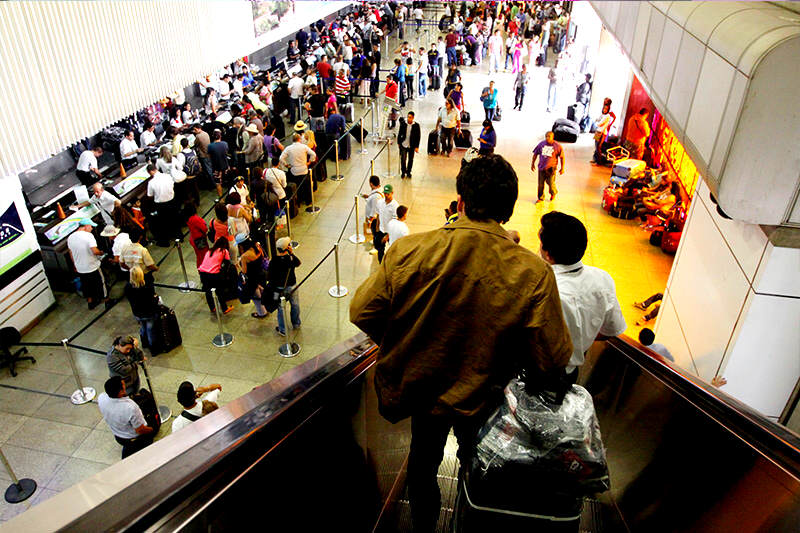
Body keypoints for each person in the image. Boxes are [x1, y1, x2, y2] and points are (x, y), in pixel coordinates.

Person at [349, 154, 572, 532]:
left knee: (422, 463)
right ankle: (472, 517)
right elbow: (552, 356)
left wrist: (407, 339)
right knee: (479, 461)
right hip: (486, 397)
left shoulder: (409, 251)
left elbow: (362, 311)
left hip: (425, 393)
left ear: (462, 201)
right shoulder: (532, 272)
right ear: (509, 208)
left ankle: (423, 525)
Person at [538, 211, 627, 383]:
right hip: (569, 375)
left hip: (536, 376)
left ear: (548, 254)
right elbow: (610, 330)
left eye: (541, 244)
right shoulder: (603, 279)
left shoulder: (545, 289)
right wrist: (581, 339)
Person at [97, 376, 154, 459]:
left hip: (118, 436)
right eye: (123, 385)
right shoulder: (130, 407)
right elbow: (140, 430)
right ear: (120, 392)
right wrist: (152, 429)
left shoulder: (101, 398)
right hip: (134, 438)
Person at [67, 218, 108, 309]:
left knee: (86, 284)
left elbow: (71, 253)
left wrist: (75, 264)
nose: (92, 229)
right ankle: (105, 300)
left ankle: (90, 302)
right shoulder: (88, 236)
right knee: (100, 282)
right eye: (91, 227)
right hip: (92, 266)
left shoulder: (70, 237)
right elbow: (94, 251)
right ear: (86, 226)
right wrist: (101, 252)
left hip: (80, 267)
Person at [268, 237, 301, 336]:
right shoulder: (290, 259)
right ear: (287, 248)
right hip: (292, 286)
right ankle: (296, 323)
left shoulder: (273, 261)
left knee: (280, 309)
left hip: (279, 289)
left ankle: (282, 329)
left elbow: (269, 276)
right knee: (295, 305)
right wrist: (291, 253)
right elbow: (298, 263)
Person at [124, 266, 159, 352]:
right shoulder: (147, 286)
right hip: (149, 312)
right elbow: (152, 299)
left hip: (137, 312)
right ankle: (153, 348)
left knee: (143, 327)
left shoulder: (128, 287)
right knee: (150, 330)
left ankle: (144, 343)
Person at [279, 133, 317, 206]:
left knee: (297, 187)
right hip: (304, 169)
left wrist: (286, 164)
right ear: (299, 139)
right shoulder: (304, 147)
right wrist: (309, 162)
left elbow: (281, 158)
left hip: (294, 171)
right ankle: (308, 201)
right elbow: (313, 154)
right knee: (306, 186)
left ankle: (298, 201)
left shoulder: (288, 148)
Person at [198, 237, 233, 314]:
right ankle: (224, 308)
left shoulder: (209, 251)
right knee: (220, 292)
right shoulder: (224, 251)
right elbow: (227, 263)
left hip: (203, 273)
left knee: (208, 291)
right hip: (214, 275)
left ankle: (212, 308)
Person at [145, 163, 177, 246]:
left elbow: (150, 195)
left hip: (161, 205)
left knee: (162, 223)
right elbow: (172, 185)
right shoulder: (167, 176)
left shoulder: (151, 182)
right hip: (172, 200)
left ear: (150, 172)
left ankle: (165, 242)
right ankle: (178, 236)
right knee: (174, 218)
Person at [239, 238, 270, 319]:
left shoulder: (244, 256)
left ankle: (262, 313)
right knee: (262, 291)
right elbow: (263, 257)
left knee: (256, 296)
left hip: (252, 277)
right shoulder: (257, 247)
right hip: (261, 273)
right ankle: (267, 306)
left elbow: (244, 271)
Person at [531, 131, 565, 202]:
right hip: (541, 168)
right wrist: (532, 163)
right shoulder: (541, 144)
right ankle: (540, 197)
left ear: (553, 137)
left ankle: (553, 192)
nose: (547, 138)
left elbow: (562, 157)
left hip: (551, 169)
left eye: (549, 136)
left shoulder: (557, 146)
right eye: (546, 136)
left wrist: (562, 168)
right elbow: (535, 154)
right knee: (540, 184)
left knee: (551, 183)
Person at [373, 184, 398, 263]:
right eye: (385, 193)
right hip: (381, 230)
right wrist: (377, 229)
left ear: (392, 193)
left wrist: (388, 236)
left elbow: (395, 222)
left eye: (388, 193)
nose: (386, 195)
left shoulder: (395, 206)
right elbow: (378, 215)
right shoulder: (380, 202)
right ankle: (382, 265)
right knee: (380, 250)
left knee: (393, 250)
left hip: (390, 232)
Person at [592, 98, 616, 164]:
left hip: (602, 132)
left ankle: (598, 161)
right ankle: (595, 159)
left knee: (598, 146)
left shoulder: (608, 113)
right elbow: (598, 119)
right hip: (599, 131)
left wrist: (609, 125)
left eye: (605, 101)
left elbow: (600, 123)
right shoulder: (603, 112)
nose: (604, 102)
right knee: (596, 145)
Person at [397, 111, 420, 179]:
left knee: (410, 159)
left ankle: (409, 172)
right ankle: (403, 172)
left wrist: (417, 147)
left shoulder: (416, 125)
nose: (408, 119)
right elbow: (399, 133)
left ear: (413, 118)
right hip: (404, 144)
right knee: (403, 159)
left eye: (410, 117)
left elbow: (418, 137)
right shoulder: (403, 124)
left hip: (411, 145)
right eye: (408, 117)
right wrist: (399, 142)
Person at [208, 130, 230, 197]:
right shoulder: (225, 144)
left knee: (218, 183)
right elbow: (227, 152)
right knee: (228, 181)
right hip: (225, 166)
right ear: (220, 136)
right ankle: (230, 195)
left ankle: (221, 198)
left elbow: (209, 156)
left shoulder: (210, 146)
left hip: (216, 167)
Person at [192, 123, 213, 190]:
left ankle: (212, 184)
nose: (194, 131)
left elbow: (195, 144)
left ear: (198, 129)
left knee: (208, 170)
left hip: (203, 155)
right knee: (210, 168)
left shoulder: (198, 136)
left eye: (195, 130)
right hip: (208, 153)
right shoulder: (205, 133)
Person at [362, 175, 383, 242]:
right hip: (377, 217)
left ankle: (376, 243)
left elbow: (374, 210)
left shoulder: (375, 196)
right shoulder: (379, 190)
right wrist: (368, 197)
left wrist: (370, 220)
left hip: (374, 219)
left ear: (371, 184)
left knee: (374, 231)